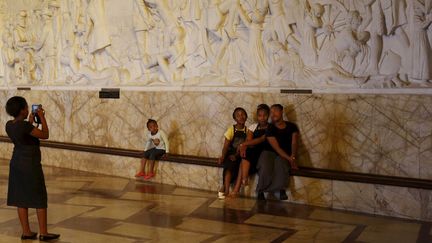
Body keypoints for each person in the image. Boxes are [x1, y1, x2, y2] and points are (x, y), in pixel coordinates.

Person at [4, 96, 60, 241]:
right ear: (23, 110)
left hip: (16, 162)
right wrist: (41, 117)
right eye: (26, 107)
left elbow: (24, 135)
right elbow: (45, 135)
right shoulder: (25, 126)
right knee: (39, 196)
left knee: (21, 197)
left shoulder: (9, 125)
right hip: (30, 164)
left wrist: (29, 121)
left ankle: (26, 232)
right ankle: (44, 233)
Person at [256, 104, 299, 201]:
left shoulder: (292, 126)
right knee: (265, 166)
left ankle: (281, 189)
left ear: (282, 112)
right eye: (271, 112)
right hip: (269, 151)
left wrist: (293, 156)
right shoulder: (270, 127)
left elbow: (294, 143)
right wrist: (291, 160)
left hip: (285, 154)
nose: (273, 114)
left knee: (281, 164)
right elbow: (276, 148)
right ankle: (260, 190)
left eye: (275, 110)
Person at [229, 104, 270, 197]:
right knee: (244, 156)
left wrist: (243, 145)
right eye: (260, 115)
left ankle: (241, 183)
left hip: (264, 151)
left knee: (244, 158)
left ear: (268, 116)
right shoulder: (253, 126)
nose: (262, 118)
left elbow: (261, 139)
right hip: (252, 151)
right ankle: (241, 183)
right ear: (257, 116)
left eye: (265, 115)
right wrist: (243, 146)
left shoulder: (270, 128)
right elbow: (248, 140)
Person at [217, 107, 248, 199]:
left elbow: (245, 146)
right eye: (238, 115)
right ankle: (226, 190)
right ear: (235, 119)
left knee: (238, 165)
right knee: (229, 166)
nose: (241, 117)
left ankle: (224, 187)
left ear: (246, 116)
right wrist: (223, 157)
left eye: (243, 114)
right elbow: (226, 146)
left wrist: (237, 155)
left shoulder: (247, 131)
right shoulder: (231, 129)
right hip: (230, 153)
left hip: (240, 154)